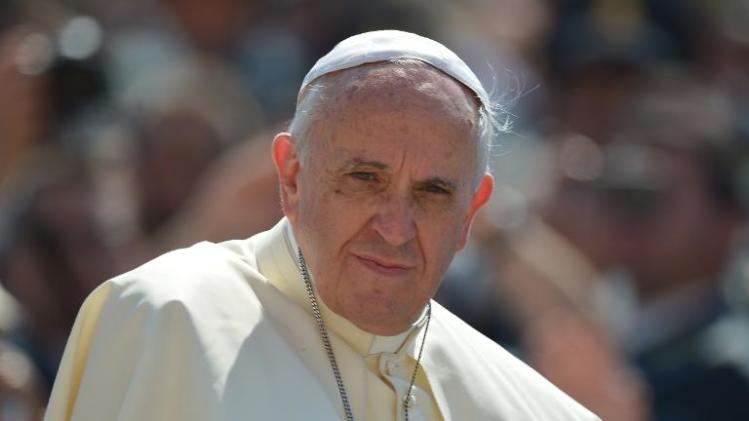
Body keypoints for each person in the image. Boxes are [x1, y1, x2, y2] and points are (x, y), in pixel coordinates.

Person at [44, 30, 599, 420]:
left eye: (432, 192)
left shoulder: (530, 408)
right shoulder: (167, 321)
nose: (396, 227)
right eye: (364, 179)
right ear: (292, 177)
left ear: (470, 214)